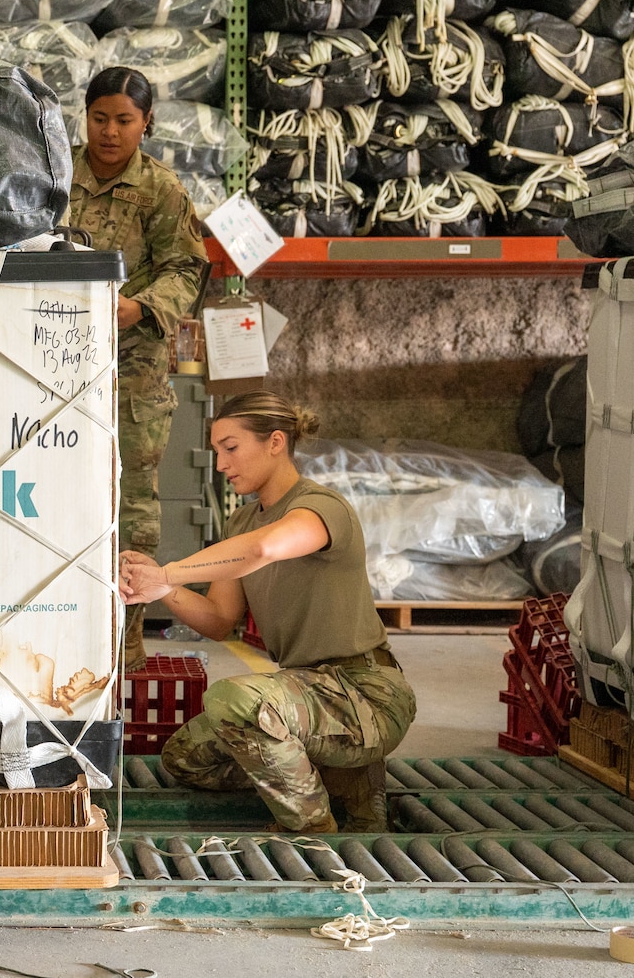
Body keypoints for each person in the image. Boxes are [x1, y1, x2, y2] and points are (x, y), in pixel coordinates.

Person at [119, 392, 417, 833]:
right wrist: (165, 588)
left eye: (231, 448)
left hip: (364, 694)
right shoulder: (241, 523)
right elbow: (219, 620)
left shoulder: (320, 508)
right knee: (184, 758)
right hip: (306, 694)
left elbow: (264, 549)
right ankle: (338, 779)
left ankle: (312, 826)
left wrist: (169, 571)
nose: (221, 464)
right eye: (216, 451)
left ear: (275, 442)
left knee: (234, 699)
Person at [66, 66, 209, 671]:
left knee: (130, 507)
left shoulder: (161, 190)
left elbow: (187, 269)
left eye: (124, 120)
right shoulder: (53, 175)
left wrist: (140, 309)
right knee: (52, 491)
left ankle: (121, 644)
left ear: (146, 123)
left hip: (132, 371)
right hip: (50, 361)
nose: (109, 131)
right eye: (99, 118)